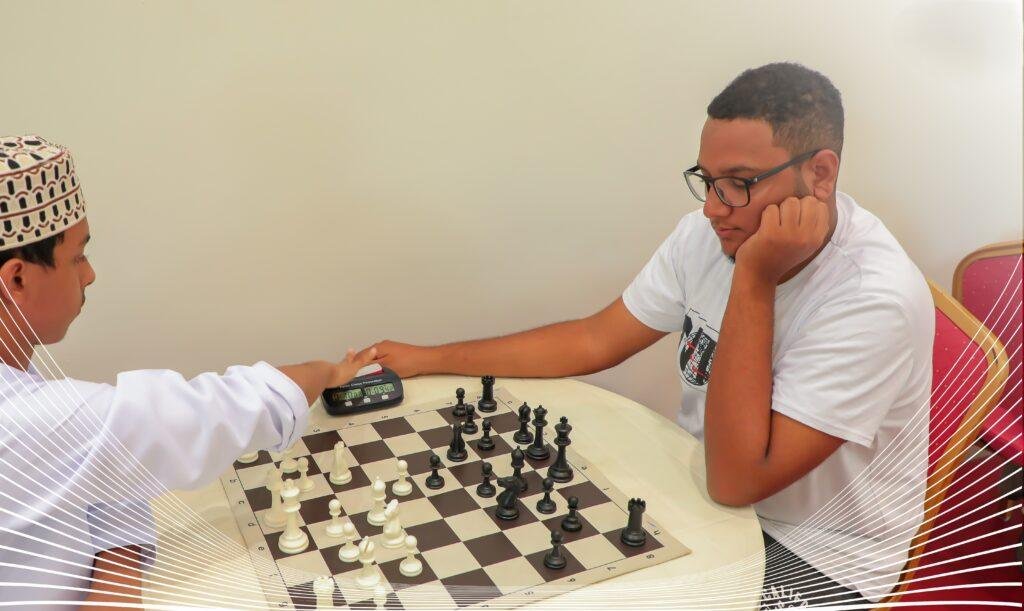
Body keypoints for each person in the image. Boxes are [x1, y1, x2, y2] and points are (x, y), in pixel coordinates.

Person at [360, 63, 933, 606]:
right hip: (705, 492)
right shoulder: (712, 235)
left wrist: (754, 280)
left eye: (739, 183)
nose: (713, 209)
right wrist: (427, 357)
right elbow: (594, 340)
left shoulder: (873, 302)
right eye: (707, 181)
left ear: (821, 174)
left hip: (818, 555)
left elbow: (738, 482)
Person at [0, 136, 375, 609]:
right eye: (77, 256)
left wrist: (115, 570)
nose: (89, 274)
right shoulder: (27, 419)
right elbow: (221, 411)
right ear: (17, 278)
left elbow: (104, 478)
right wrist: (327, 371)